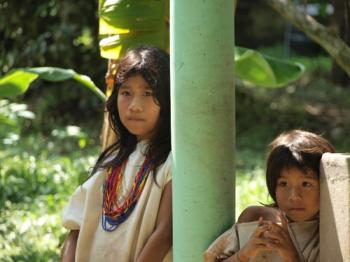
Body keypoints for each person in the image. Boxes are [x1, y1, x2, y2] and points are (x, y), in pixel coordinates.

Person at [60, 46, 172, 262]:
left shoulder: (171, 163)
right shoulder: (111, 162)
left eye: (148, 93)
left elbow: (164, 234)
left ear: (166, 100)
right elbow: (75, 229)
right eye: (126, 93)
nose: (135, 106)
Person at [204, 130, 335, 262]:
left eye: (306, 184)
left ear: (325, 186)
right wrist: (244, 254)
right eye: (283, 183)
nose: (294, 196)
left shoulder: (330, 236)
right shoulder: (255, 220)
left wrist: (291, 256)